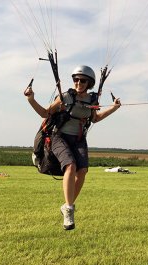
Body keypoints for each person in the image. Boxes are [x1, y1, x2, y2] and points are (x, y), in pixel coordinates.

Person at [25, 65, 121, 230]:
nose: (78, 83)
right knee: (70, 166)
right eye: (76, 79)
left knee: (82, 171)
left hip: (78, 139)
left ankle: (66, 205)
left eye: (82, 80)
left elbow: (95, 118)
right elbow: (45, 113)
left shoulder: (92, 100)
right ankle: (69, 210)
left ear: (89, 83)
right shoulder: (65, 97)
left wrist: (114, 107)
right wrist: (31, 99)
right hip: (59, 137)